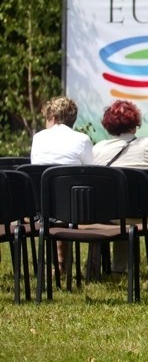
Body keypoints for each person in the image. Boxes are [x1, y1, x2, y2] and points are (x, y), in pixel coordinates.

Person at [91, 99, 148, 274]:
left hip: (113, 217)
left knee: (120, 201)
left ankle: (121, 267)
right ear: (135, 125)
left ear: (108, 126)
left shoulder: (98, 150)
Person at [30, 96, 94, 275]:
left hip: (41, 208)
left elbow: (35, 169)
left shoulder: (38, 138)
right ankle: (76, 267)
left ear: (53, 117)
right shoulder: (82, 139)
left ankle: (58, 265)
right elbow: (91, 173)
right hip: (75, 209)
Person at [30, 96, 93, 166]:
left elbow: (34, 164)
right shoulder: (83, 140)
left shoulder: (38, 138)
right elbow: (89, 172)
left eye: (46, 119)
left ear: (53, 118)